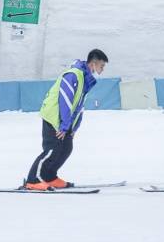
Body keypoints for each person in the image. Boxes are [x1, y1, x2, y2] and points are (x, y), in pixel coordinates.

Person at [23, 49, 109, 190]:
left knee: (66, 148)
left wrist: (73, 127)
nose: (103, 69)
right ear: (93, 63)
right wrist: (64, 125)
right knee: (52, 149)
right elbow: (65, 100)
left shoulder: (85, 79)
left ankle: (49, 176)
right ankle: (32, 180)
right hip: (54, 116)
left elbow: (79, 105)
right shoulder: (73, 75)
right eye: (102, 65)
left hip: (65, 119)